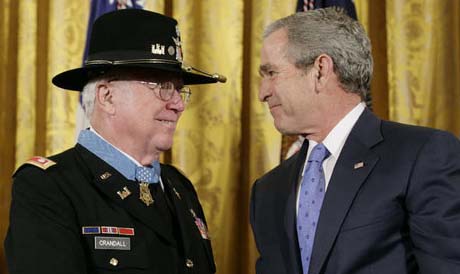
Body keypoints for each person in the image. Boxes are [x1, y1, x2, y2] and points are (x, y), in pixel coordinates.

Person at [4, 9, 225, 274]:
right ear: (107, 97)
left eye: (179, 90)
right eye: (163, 87)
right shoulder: (48, 186)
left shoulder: (179, 187)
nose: (178, 104)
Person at [250, 7, 460, 274]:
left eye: (271, 73)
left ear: (320, 70)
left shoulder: (421, 156)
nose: (262, 92)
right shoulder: (267, 191)